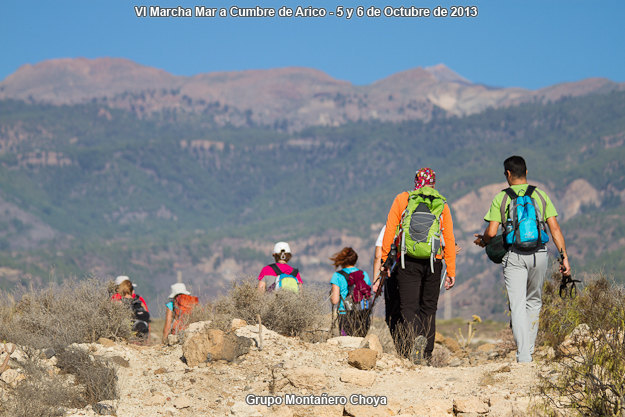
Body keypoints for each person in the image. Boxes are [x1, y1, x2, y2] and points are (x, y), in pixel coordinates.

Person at [474, 155, 570, 363]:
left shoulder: (501, 197)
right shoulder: (540, 195)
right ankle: (530, 350)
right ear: (526, 172)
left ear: (507, 174)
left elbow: (491, 232)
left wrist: (484, 240)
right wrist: (564, 258)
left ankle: (524, 355)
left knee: (517, 305)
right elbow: (554, 229)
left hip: (514, 256)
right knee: (534, 302)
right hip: (539, 255)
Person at [380, 167, 456, 363]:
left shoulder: (403, 199)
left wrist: (384, 259)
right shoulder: (441, 203)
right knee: (429, 307)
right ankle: (428, 354)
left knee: (409, 307)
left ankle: (415, 340)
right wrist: (451, 270)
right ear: (433, 183)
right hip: (434, 261)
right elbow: (448, 237)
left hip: (408, 259)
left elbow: (390, 230)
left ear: (416, 181)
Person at [330, 247, 373, 337]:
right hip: (363, 314)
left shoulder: (337, 275)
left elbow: (335, 300)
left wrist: (331, 294)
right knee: (360, 342)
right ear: (355, 260)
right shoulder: (364, 274)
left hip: (345, 314)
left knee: (347, 344)